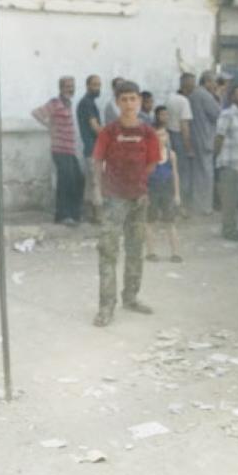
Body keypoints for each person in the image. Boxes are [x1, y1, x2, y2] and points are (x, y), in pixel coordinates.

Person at [91, 80, 161, 327]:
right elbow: (97, 161)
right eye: (124, 100)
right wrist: (97, 190)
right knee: (108, 252)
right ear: (118, 103)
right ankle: (105, 307)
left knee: (135, 251)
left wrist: (138, 183)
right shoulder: (108, 132)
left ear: (139, 102)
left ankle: (130, 298)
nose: (129, 104)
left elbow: (153, 162)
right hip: (113, 200)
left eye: (133, 99)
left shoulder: (148, 133)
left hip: (138, 199)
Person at [32, 75, 84, 226]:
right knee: (65, 181)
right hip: (59, 149)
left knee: (79, 179)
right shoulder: (56, 102)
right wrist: (49, 126)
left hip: (70, 149)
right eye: (68, 86)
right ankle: (63, 216)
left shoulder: (69, 103)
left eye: (72, 86)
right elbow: (37, 113)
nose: (71, 89)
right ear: (61, 88)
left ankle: (74, 214)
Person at [145, 106, 183, 263]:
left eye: (163, 135)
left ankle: (175, 253)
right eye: (158, 136)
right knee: (150, 222)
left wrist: (177, 194)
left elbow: (175, 174)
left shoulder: (171, 155)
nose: (161, 138)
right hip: (152, 190)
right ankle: (151, 252)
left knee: (170, 222)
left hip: (166, 189)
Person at [214, 85, 238, 240]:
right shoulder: (227, 114)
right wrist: (216, 157)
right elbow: (219, 137)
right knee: (229, 201)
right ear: (233, 97)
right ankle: (228, 231)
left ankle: (233, 228)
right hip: (228, 163)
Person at [187, 70, 221, 215]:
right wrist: (217, 98)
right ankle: (205, 208)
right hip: (206, 138)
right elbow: (217, 114)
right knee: (206, 175)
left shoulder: (194, 94)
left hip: (196, 137)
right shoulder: (205, 95)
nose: (215, 85)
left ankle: (198, 205)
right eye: (213, 82)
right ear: (206, 82)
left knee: (198, 174)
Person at [166, 73, 195, 215]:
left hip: (169, 137)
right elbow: (185, 127)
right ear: (187, 85)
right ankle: (181, 207)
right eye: (192, 85)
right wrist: (189, 148)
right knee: (183, 174)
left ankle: (170, 205)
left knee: (172, 173)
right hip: (179, 138)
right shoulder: (184, 102)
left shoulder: (170, 98)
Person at [77, 74, 104, 223]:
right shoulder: (87, 103)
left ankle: (89, 215)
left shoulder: (88, 102)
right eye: (94, 85)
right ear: (87, 86)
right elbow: (95, 127)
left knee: (90, 183)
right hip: (93, 149)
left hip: (90, 148)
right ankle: (99, 216)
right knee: (96, 182)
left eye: (99, 85)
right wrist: (109, 136)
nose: (98, 88)